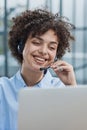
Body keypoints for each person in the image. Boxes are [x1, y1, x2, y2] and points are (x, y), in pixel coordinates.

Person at [0, 8, 77, 130]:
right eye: (36, 42)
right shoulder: (2, 89)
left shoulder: (62, 89)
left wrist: (72, 88)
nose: (43, 51)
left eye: (51, 47)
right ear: (21, 46)